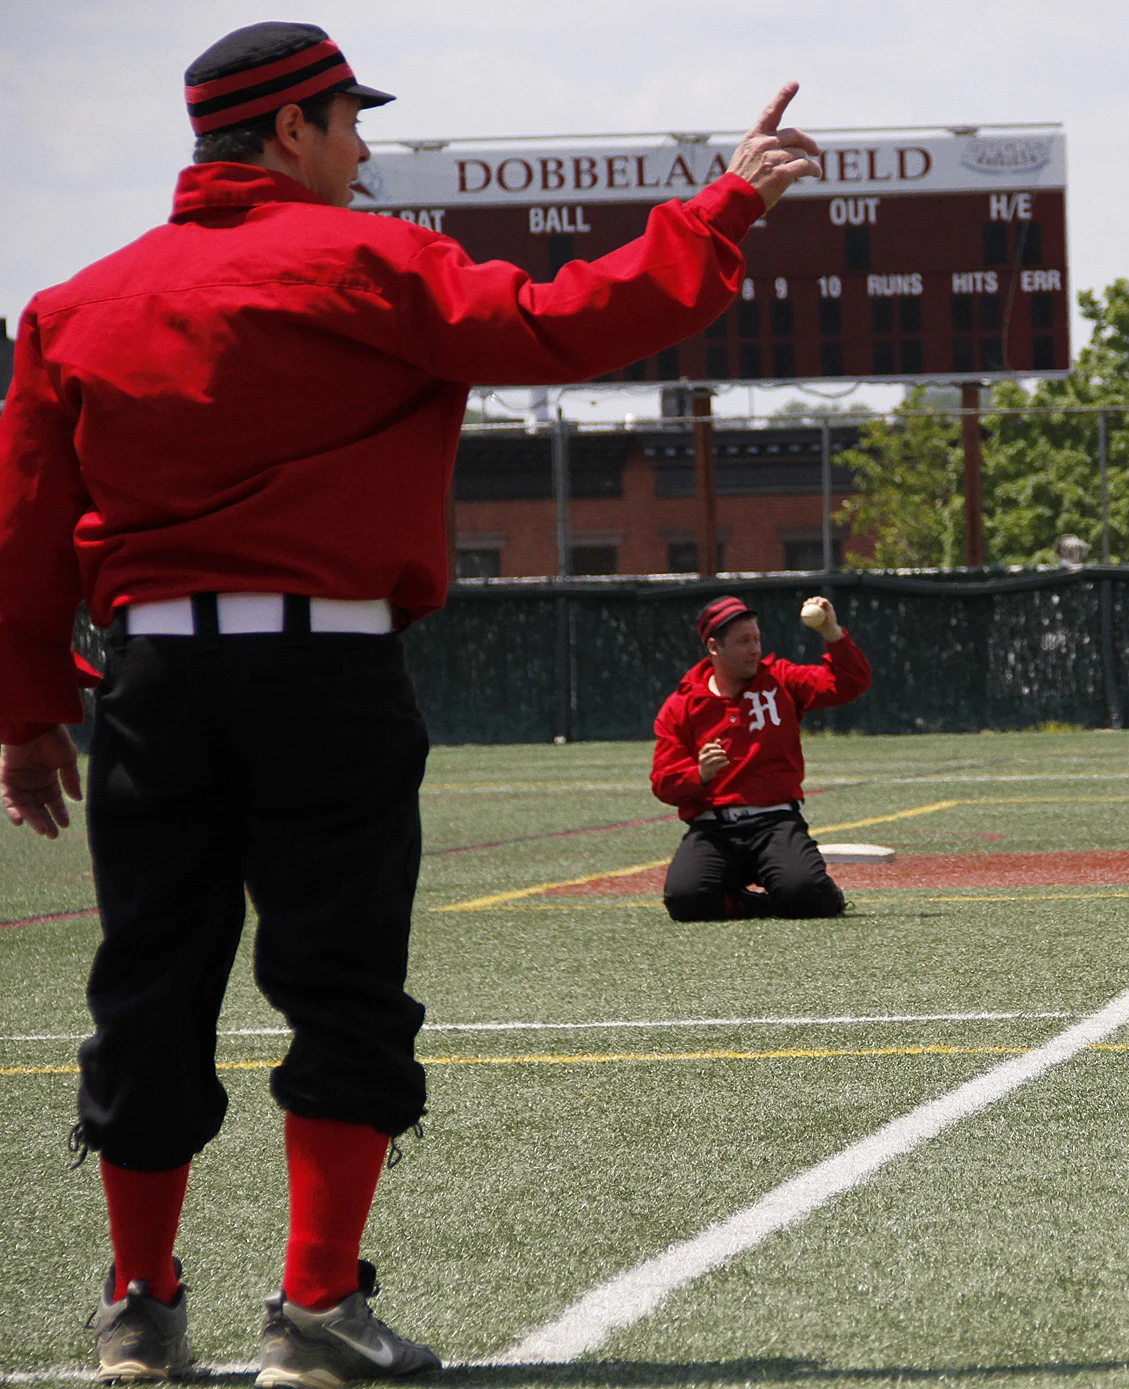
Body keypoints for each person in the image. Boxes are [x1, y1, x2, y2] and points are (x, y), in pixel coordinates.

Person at [0, 21, 821, 1385]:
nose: (364, 147)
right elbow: (572, 319)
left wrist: (27, 704)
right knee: (340, 983)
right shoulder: (369, 260)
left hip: (151, 681)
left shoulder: (77, 304)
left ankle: (138, 1310)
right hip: (325, 673)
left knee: (146, 984)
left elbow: (28, 524)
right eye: (346, 120)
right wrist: (723, 203)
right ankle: (315, 1315)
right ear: (285, 131)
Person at [651, 595, 870, 919]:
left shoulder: (780, 680)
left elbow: (849, 684)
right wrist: (699, 774)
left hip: (776, 822)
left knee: (808, 895)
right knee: (686, 899)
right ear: (714, 647)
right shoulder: (682, 704)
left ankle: (808, 894)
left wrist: (832, 632)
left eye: (757, 639)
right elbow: (662, 782)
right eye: (743, 641)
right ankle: (760, 905)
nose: (755, 649)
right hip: (714, 829)